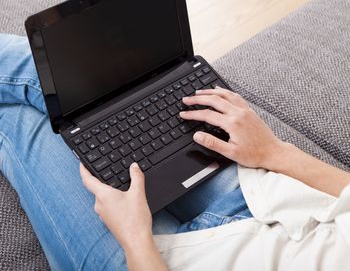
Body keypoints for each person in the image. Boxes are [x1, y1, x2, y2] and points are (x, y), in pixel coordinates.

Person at [1, 33, 350, 271]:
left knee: (19, 122)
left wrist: (134, 236)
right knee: (82, 86)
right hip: (269, 202)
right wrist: (274, 151)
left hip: (168, 259)